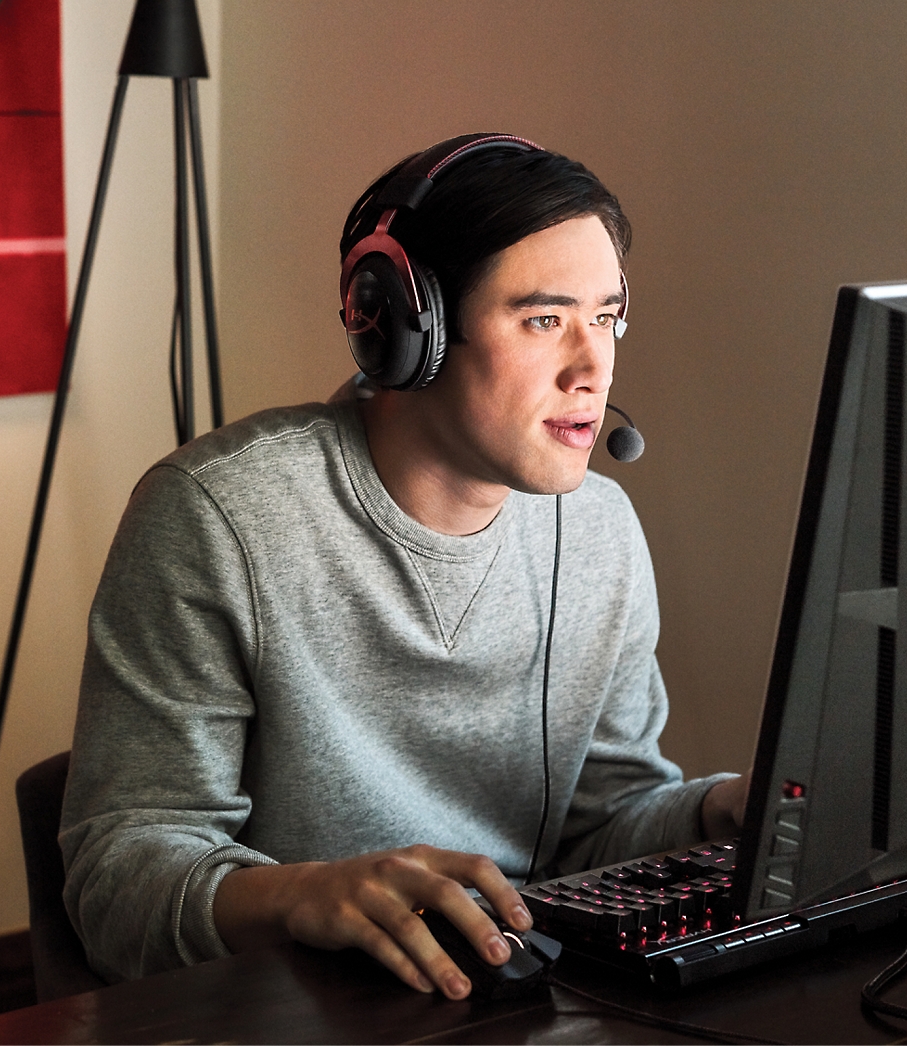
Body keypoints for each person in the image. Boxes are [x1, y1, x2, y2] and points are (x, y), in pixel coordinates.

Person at [60, 134, 747, 1001]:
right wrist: (301, 895)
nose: (592, 366)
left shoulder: (599, 530)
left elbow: (599, 830)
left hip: (507, 997)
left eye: (606, 316)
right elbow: (115, 880)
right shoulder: (220, 517)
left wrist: (722, 812)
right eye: (543, 319)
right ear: (401, 326)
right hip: (296, 1011)